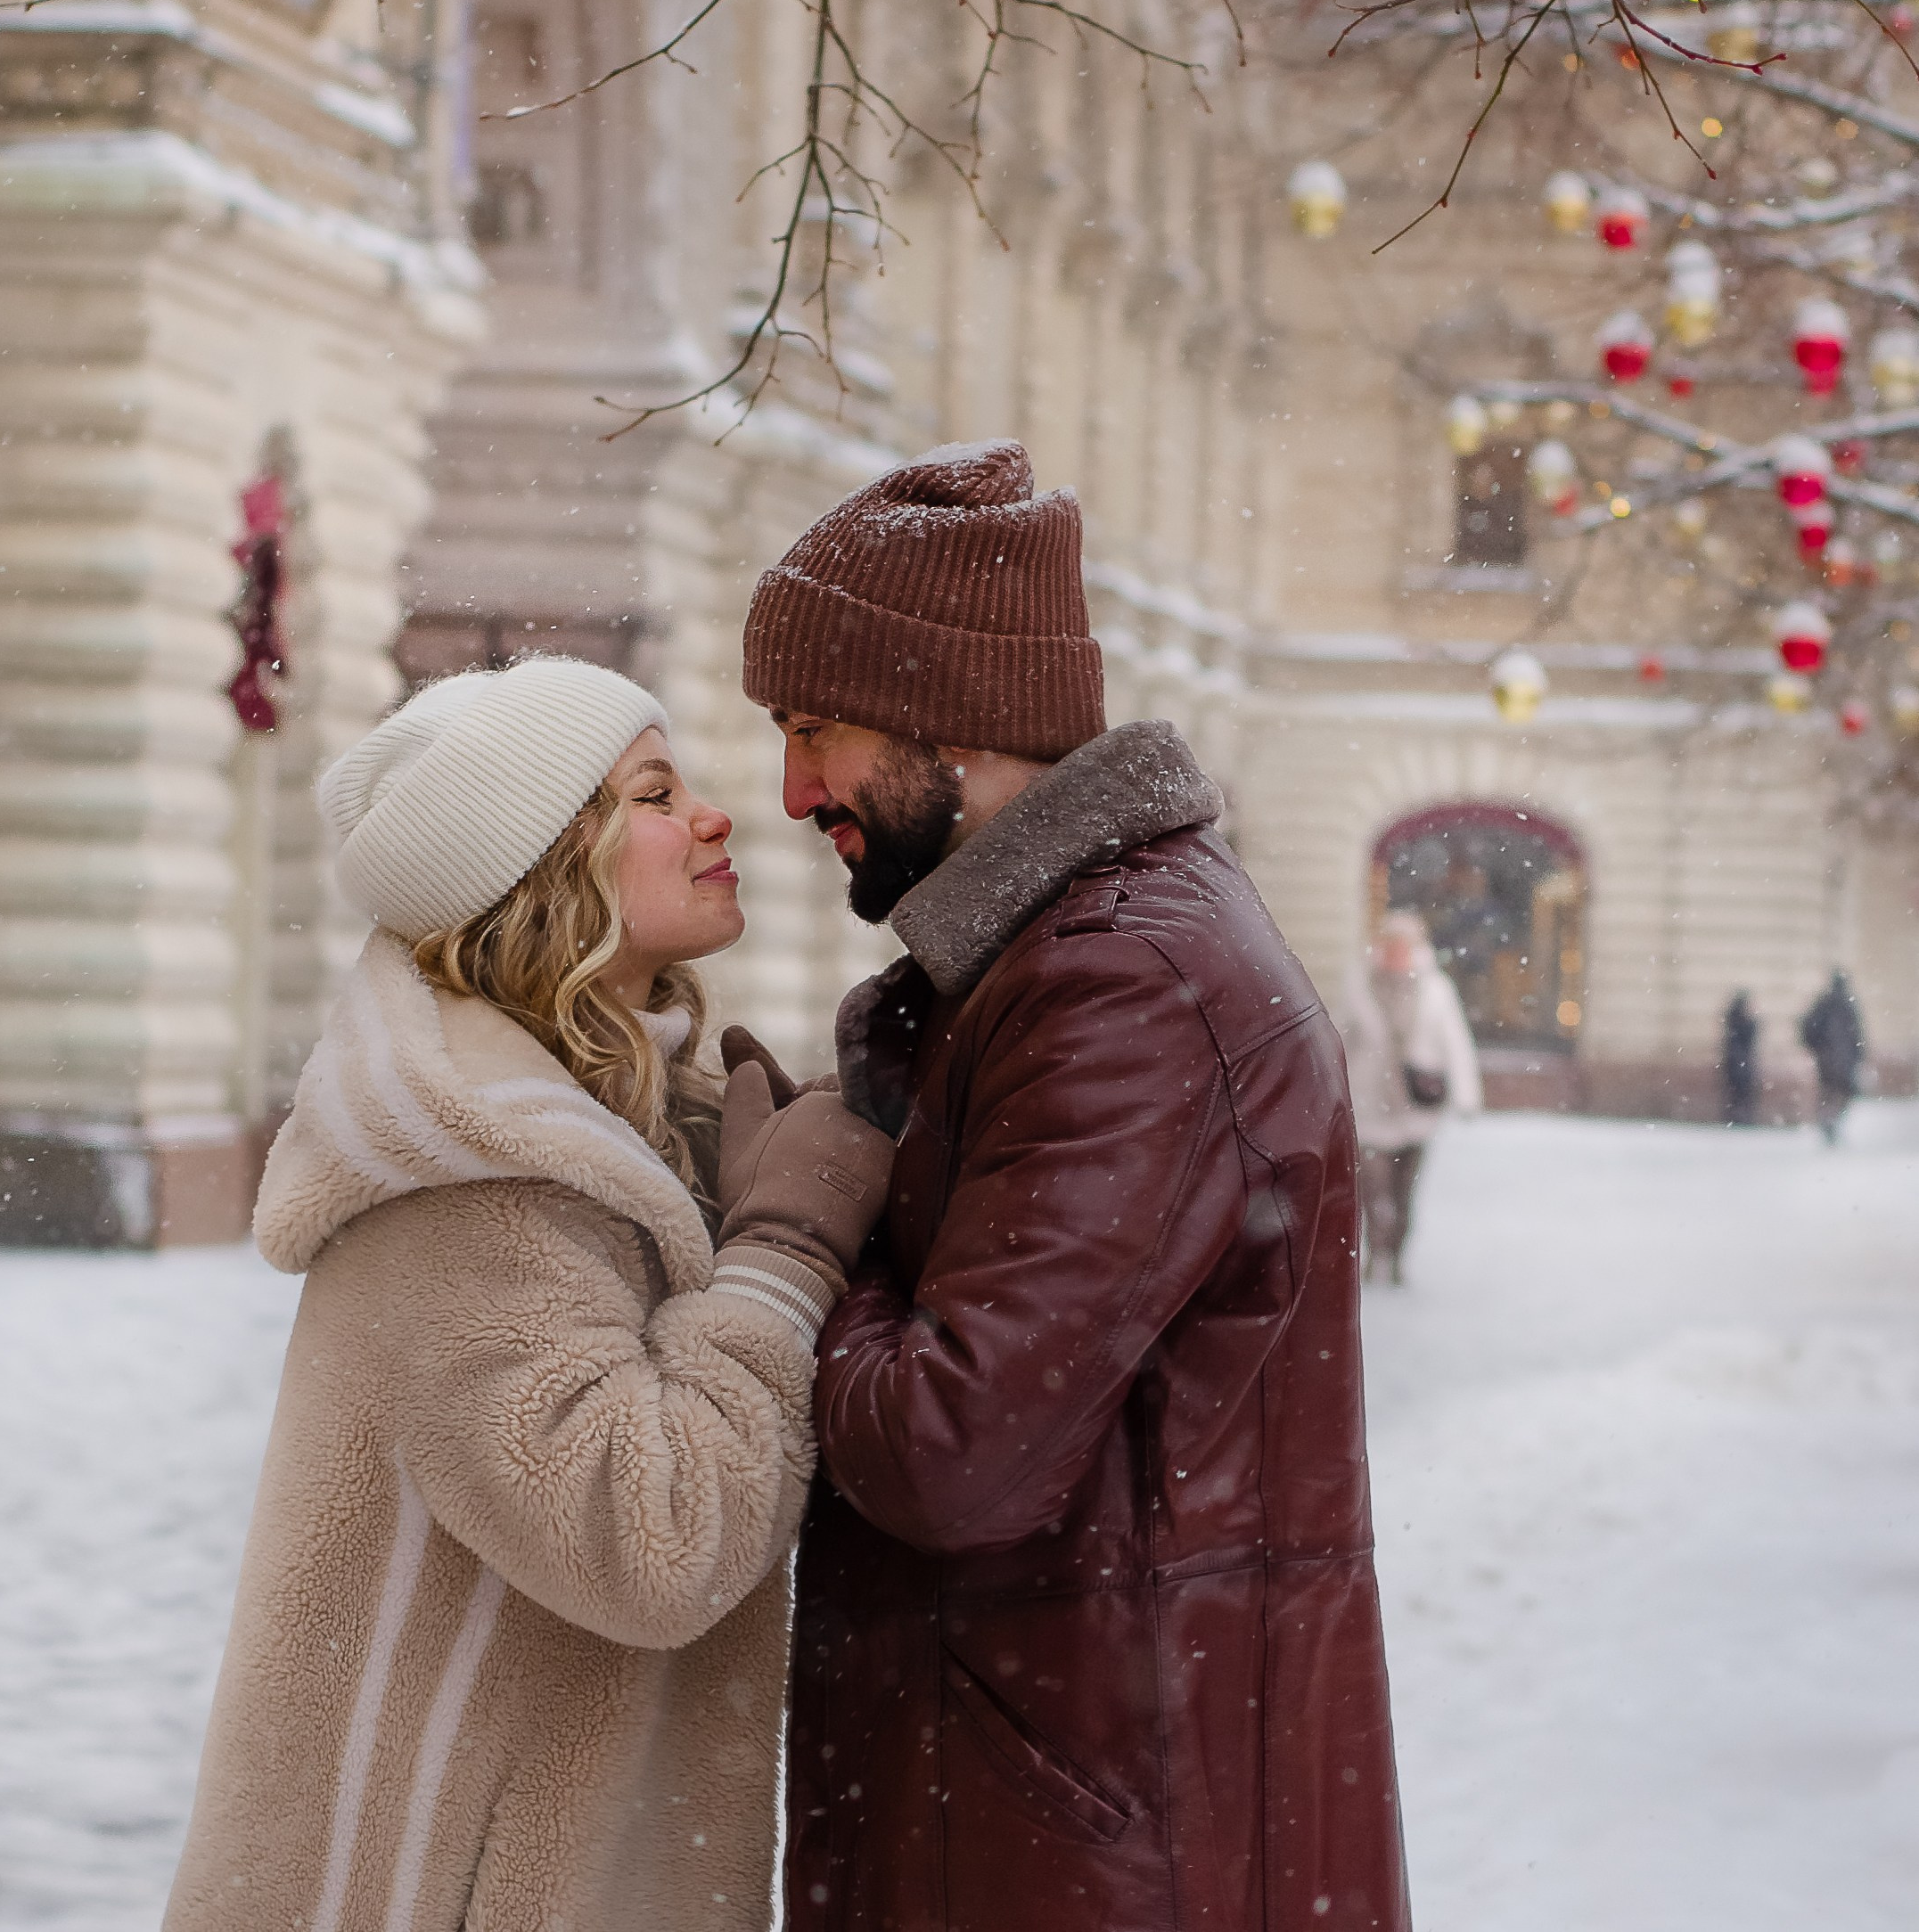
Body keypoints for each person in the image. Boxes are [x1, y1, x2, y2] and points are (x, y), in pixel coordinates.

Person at [736, 442, 1409, 1932]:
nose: (790, 790)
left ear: (946, 716)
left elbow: (948, 1447)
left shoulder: (1122, 984)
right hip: (1064, 1804)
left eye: (816, 728)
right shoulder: (1064, 962)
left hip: (1088, 1839)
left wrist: (794, 1230)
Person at [163, 659, 895, 1932]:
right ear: (547, 870)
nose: (717, 815)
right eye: (656, 793)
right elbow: (653, 1539)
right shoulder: (463, 1184)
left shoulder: (609, 1137)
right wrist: (783, 1252)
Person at [1339, 909, 1483, 1285]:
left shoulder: (1436, 990)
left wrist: (1466, 1095)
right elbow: (1338, 1040)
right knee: (1373, 1193)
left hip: (1416, 1111)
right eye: (1390, 946)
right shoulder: (1360, 986)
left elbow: (1457, 1045)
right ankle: (1376, 1252)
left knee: (1404, 1194)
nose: (1396, 954)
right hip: (1369, 1107)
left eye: (1404, 947)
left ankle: (1398, 1254)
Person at [1800, 969, 1866, 1144]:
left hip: (1829, 1058)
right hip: (1841, 1059)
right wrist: (1860, 1055)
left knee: (1831, 1092)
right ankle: (1830, 1121)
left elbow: (1809, 1027)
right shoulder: (1845, 1004)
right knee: (1842, 1091)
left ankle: (1828, 1120)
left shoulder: (1826, 1002)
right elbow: (1857, 1034)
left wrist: (1816, 1048)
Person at [1719, 990, 1759, 1127]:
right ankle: (1740, 1118)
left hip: (1736, 1064)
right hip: (1740, 1064)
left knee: (1736, 1095)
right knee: (1741, 1095)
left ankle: (1736, 1118)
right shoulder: (1741, 1022)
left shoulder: (1733, 1021)